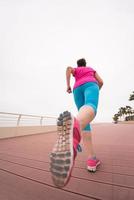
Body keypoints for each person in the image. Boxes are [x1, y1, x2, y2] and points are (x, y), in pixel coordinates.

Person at [50, 58, 103, 188]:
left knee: (85, 119)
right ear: (85, 64)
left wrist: (68, 85)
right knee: (90, 106)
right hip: (91, 85)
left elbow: (68, 69)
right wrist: (97, 88)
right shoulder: (90, 69)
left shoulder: (76, 71)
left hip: (77, 89)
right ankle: (74, 132)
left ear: (78, 65)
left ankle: (91, 159)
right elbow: (101, 81)